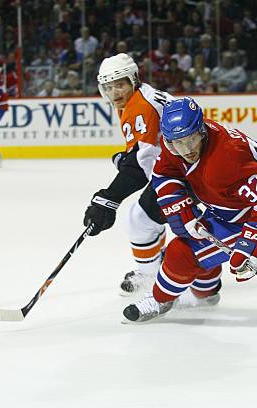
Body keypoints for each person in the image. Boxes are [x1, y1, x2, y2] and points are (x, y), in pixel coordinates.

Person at [123, 97, 257, 322]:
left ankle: (161, 300)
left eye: (191, 140)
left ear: (201, 131)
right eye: (177, 143)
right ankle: (206, 292)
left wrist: (252, 243)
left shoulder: (226, 160)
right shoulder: (180, 137)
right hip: (233, 204)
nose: (186, 150)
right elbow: (164, 174)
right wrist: (180, 208)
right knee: (195, 238)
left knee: (182, 252)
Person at [82, 53, 174, 296]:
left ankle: (149, 279)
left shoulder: (140, 107)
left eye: (120, 84)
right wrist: (128, 159)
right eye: (108, 87)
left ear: (133, 80)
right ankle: (159, 262)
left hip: (189, 172)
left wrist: (109, 198)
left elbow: (146, 168)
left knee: (138, 219)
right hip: (187, 164)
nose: (115, 92)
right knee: (150, 218)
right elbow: (145, 152)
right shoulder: (138, 97)